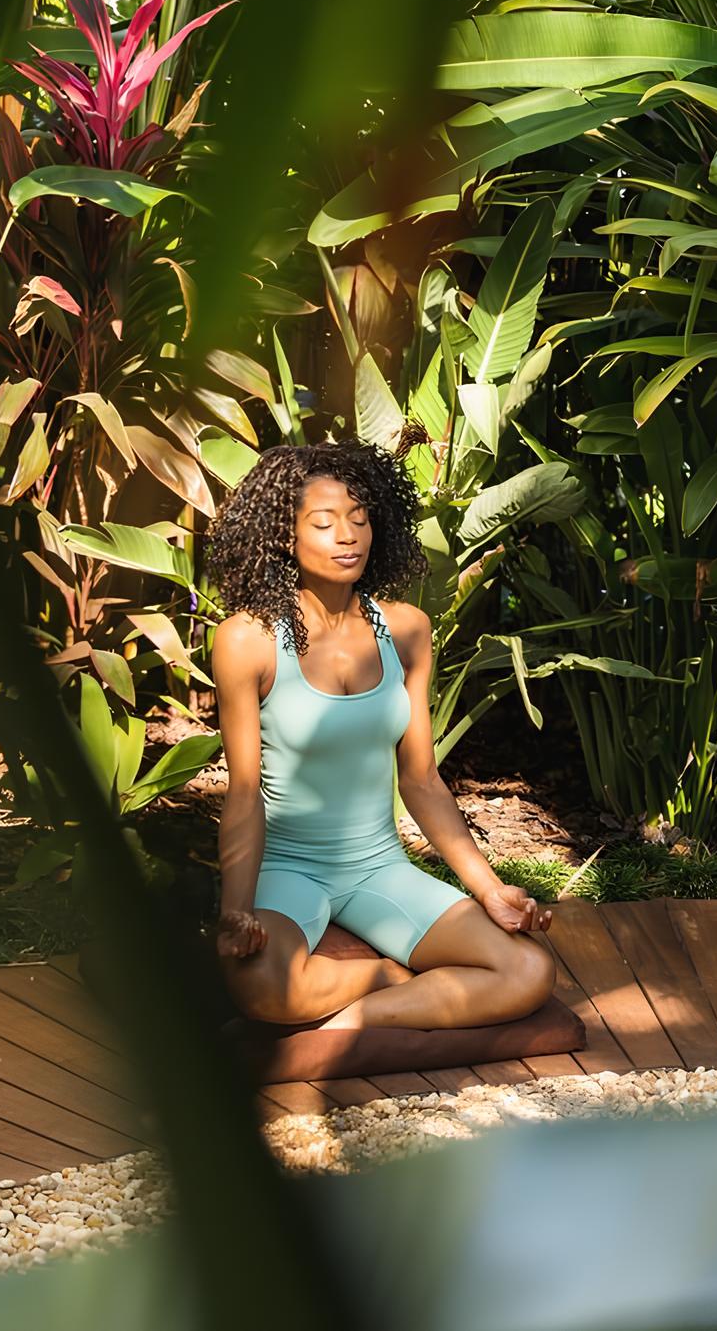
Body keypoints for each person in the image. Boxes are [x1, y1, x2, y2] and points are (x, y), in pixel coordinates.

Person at [206, 440, 555, 1029]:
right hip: (287, 872)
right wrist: (237, 910)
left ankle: (345, 1025)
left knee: (528, 970)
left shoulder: (407, 630)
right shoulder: (248, 640)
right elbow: (244, 792)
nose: (348, 536)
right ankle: (395, 978)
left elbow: (421, 780)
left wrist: (491, 890)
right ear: (283, 536)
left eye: (359, 519)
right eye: (324, 523)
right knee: (265, 987)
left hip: (380, 869)